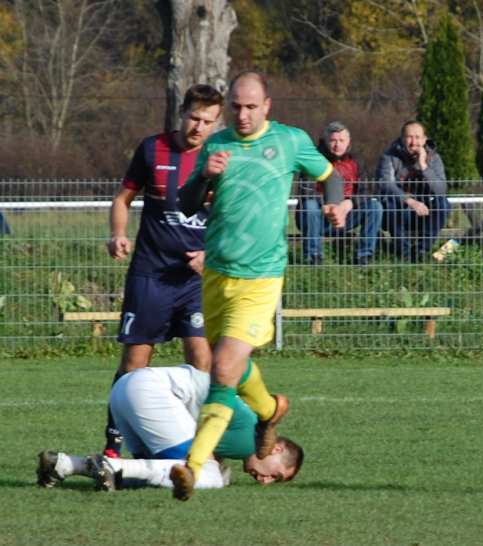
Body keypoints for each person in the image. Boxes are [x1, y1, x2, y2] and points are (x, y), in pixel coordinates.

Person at [174, 70, 350, 501]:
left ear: (267, 106)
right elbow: (187, 204)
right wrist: (202, 178)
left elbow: (330, 175)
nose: (243, 114)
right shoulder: (216, 145)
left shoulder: (289, 141)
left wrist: (334, 205)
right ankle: (270, 410)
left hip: (260, 278)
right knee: (224, 362)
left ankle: (193, 467)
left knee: (221, 372)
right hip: (216, 274)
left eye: (252, 107)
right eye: (236, 107)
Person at [102, 84, 224, 458]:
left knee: (203, 361)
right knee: (135, 364)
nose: (199, 128)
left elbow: (232, 218)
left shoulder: (221, 159)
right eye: (194, 118)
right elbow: (123, 198)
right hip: (151, 275)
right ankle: (113, 446)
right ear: (181, 113)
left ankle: (196, 446)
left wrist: (210, 252)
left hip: (195, 281)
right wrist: (118, 233)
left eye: (208, 122)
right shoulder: (151, 148)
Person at [36, 364, 303, 492]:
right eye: (274, 475)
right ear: (276, 448)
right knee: (209, 478)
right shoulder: (252, 440)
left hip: (125, 389)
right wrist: (221, 471)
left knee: (152, 476)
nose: (265, 482)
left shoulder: (247, 425)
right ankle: (112, 466)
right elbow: (203, 458)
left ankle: (65, 464)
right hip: (150, 393)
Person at [296, 121, 383, 266]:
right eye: (333, 140)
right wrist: (327, 206)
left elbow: (366, 191)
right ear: (325, 141)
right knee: (309, 206)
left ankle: (364, 257)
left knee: (375, 206)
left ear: (348, 141)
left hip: (347, 216)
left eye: (341, 140)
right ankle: (313, 257)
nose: (337, 145)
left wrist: (349, 203)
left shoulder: (357, 161)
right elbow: (306, 192)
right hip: (320, 217)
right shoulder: (314, 159)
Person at [376, 120, 451, 262]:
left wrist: (424, 166)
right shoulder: (389, 156)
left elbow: (441, 189)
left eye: (417, 137)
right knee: (390, 202)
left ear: (424, 139)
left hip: (425, 212)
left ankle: (422, 251)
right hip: (399, 210)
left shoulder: (434, 158)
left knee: (443, 203)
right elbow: (386, 184)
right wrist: (410, 201)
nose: (413, 142)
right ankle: (403, 252)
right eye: (409, 137)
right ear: (402, 138)